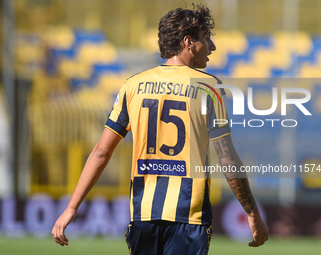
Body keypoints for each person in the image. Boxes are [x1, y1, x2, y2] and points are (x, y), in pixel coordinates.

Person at [52, 4, 269, 254]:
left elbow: (101, 152)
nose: (212, 47)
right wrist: (252, 213)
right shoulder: (210, 88)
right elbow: (227, 157)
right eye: (206, 38)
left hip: (143, 216)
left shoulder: (132, 86)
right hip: (189, 218)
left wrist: (71, 208)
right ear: (188, 42)